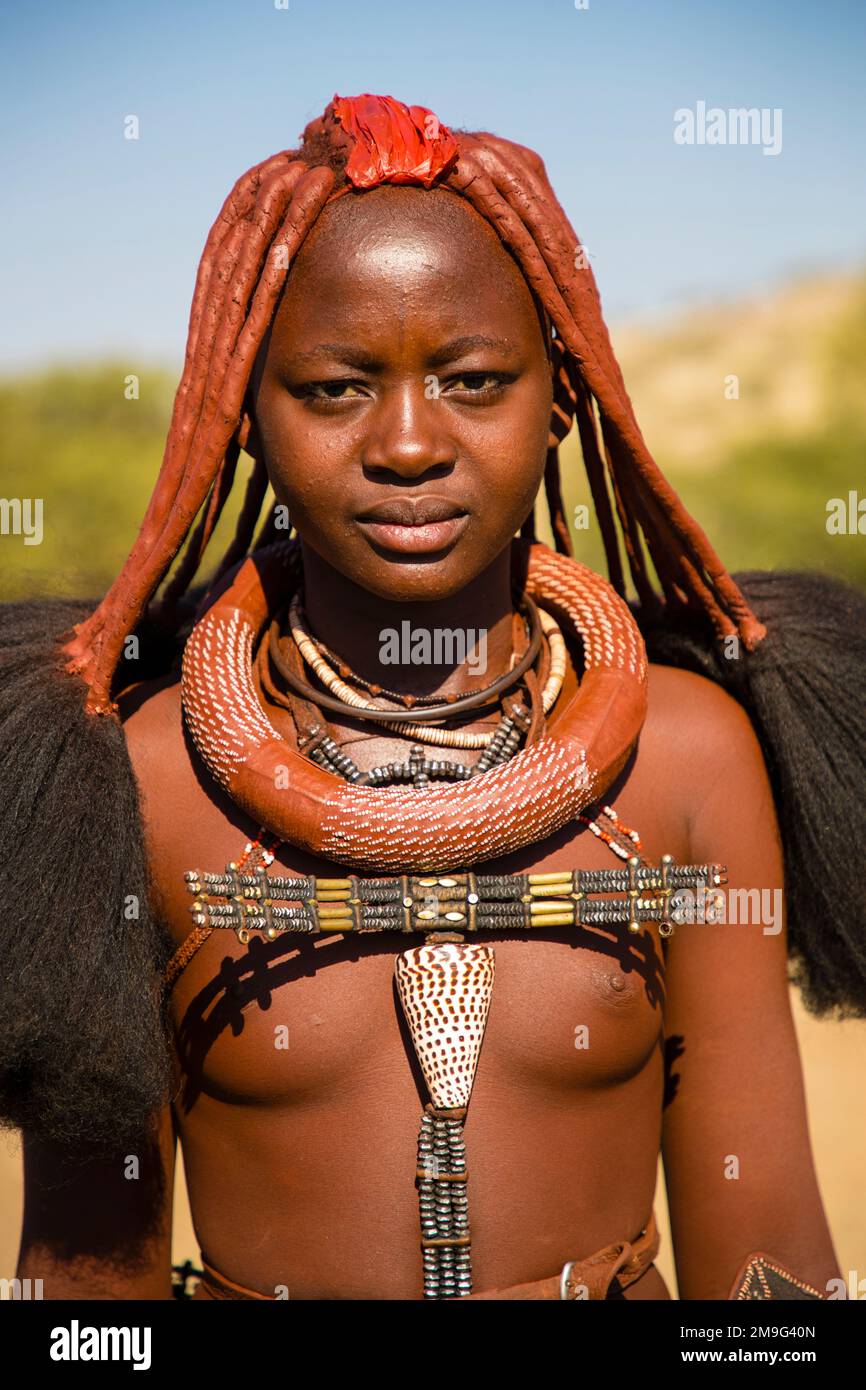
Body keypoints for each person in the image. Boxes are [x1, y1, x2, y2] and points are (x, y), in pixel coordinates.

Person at [4, 93, 865, 1302]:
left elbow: (766, 1278)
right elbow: (89, 1290)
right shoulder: (142, 776)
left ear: (557, 402)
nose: (407, 443)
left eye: (470, 380)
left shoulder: (683, 760)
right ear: (243, 418)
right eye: (334, 389)